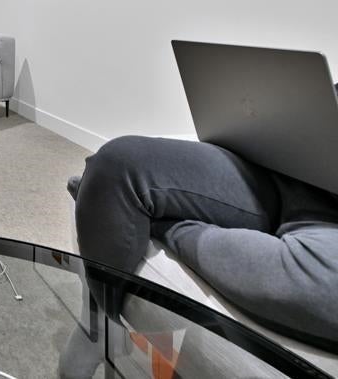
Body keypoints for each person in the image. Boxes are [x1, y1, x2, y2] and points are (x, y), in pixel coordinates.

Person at [61, 134, 338, 377]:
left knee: (325, 285)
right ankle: (99, 325)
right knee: (116, 165)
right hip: (287, 162)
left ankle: (161, 224)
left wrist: (160, 224)